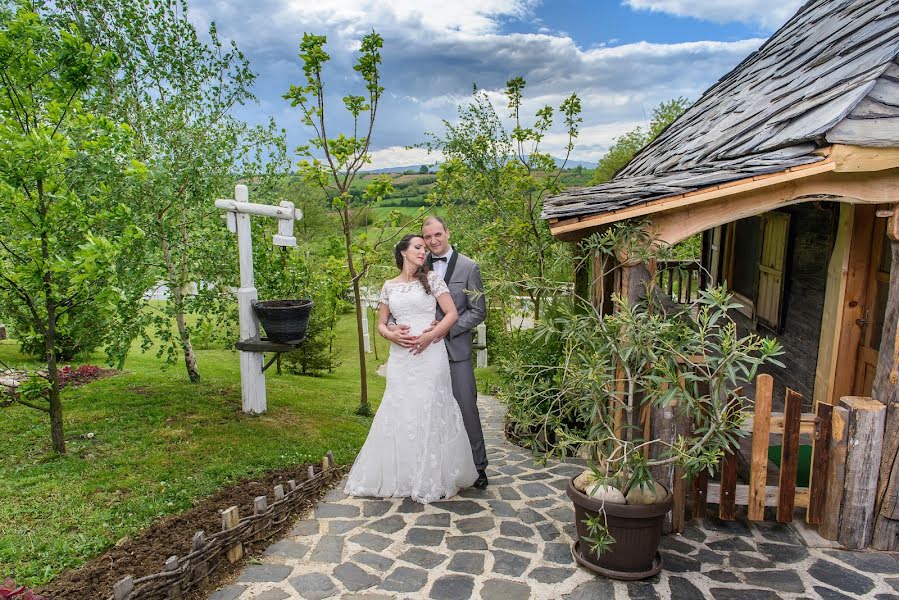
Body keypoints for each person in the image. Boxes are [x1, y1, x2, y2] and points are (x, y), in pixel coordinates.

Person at [343, 234, 478, 503]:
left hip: (431, 353)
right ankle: (402, 475)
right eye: (418, 247)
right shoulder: (389, 287)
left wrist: (431, 335)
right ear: (403, 251)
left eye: (425, 249)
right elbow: (382, 324)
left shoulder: (433, 281)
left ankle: (431, 476)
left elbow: (451, 315)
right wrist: (391, 334)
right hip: (402, 357)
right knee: (399, 406)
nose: (423, 252)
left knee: (430, 407)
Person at [388, 217, 489, 489]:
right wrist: (394, 328)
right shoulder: (418, 262)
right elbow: (399, 304)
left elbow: (478, 310)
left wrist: (446, 330)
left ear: (448, 232)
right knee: (424, 410)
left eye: (437, 235)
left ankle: (478, 467)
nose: (432, 242)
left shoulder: (469, 267)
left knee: (465, 407)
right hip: (421, 354)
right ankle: (433, 468)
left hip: (455, 350)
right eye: (427, 237)